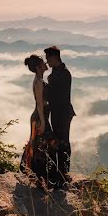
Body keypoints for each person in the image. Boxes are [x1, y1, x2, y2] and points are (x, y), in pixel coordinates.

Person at [44, 45, 75, 178]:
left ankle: (63, 172)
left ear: (54, 57)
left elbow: (54, 95)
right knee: (60, 140)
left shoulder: (62, 74)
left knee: (63, 141)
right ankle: (61, 171)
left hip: (61, 113)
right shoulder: (61, 72)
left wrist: (41, 87)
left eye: (48, 58)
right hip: (60, 112)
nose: (47, 62)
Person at [20, 54, 52, 181]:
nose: (46, 64)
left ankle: (34, 172)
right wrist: (43, 122)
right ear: (39, 68)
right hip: (39, 117)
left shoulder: (39, 80)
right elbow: (39, 103)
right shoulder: (38, 82)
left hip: (40, 116)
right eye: (43, 63)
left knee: (38, 144)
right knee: (39, 144)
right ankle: (36, 173)